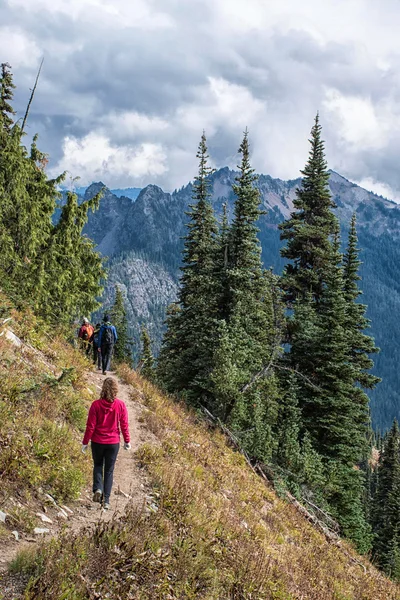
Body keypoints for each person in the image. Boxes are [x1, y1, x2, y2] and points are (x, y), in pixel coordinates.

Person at [81, 377, 131, 510]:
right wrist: (127, 441)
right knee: (109, 470)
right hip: (113, 443)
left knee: (98, 465)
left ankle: (98, 488)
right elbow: (124, 424)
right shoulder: (120, 405)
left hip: (97, 441)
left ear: (103, 389)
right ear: (116, 390)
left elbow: (90, 426)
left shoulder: (95, 405)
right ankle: (106, 501)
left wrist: (85, 442)